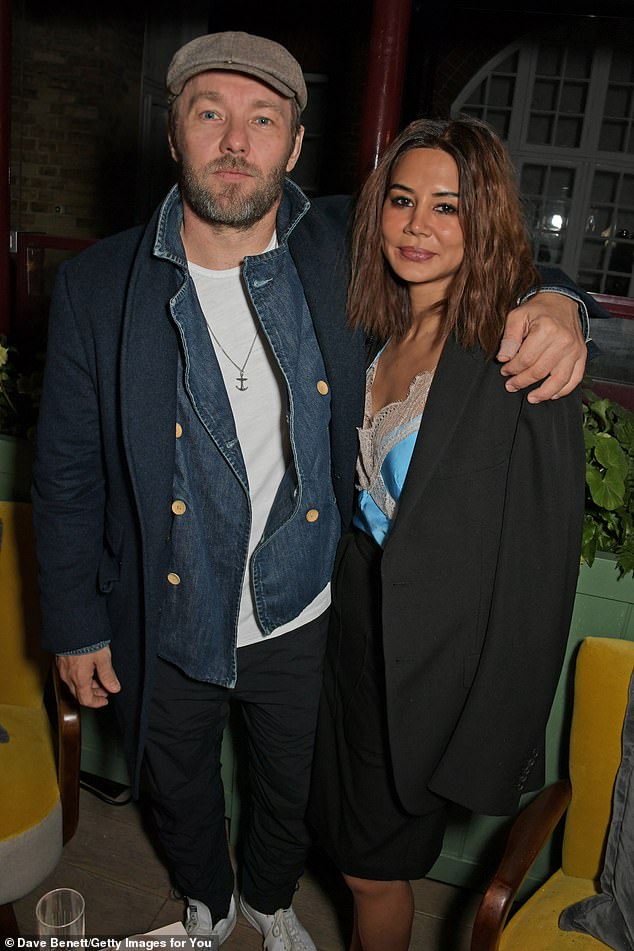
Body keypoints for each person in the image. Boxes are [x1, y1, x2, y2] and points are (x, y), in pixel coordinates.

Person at [32, 31, 590, 951]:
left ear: (295, 145)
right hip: (169, 605)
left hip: (306, 603)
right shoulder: (98, 286)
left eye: (264, 119)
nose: (236, 141)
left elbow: (475, 246)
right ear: (173, 133)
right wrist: (75, 621)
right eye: (210, 113)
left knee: (288, 785)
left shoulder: (338, 244)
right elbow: (64, 474)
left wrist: (563, 301)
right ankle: (206, 901)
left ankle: (267, 896)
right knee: (176, 782)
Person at [308, 116, 586, 951]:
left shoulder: (516, 349)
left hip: (431, 666)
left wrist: (561, 299)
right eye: (402, 201)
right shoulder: (376, 326)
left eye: (448, 206)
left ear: (486, 219)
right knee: (341, 838)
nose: (418, 226)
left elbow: (540, 567)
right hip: (347, 631)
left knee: (373, 870)